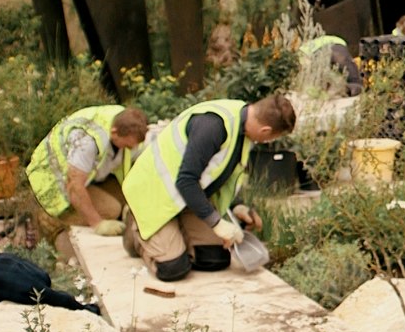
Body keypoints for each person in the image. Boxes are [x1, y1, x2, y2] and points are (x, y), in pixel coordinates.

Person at [121, 94, 296, 282]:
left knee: (214, 259)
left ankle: (175, 233)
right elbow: (186, 180)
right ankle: (136, 233)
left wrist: (238, 206)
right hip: (153, 197)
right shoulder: (213, 126)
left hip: (184, 199)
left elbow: (223, 174)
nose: (267, 142)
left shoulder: (243, 128)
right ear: (265, 130)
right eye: (272, 138)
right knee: (173, 268)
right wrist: (216, 223)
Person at [26, 105, 149, 244]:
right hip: (52, 186)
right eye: (127, 146)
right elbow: (74, 186)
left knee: (125, 198)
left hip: (87, 177)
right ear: (114, 133)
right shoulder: (87, 142)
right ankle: (51, 221)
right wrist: (97, 223)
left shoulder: (126, 121)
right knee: (111, 209)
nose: (131, 149)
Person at [299, 34, 363, 96]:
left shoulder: (301, 52)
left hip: (325, 47)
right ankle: (353, 87)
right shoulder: (306, 46)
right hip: (336, 44)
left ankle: (348, 88)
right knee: (353, 78)